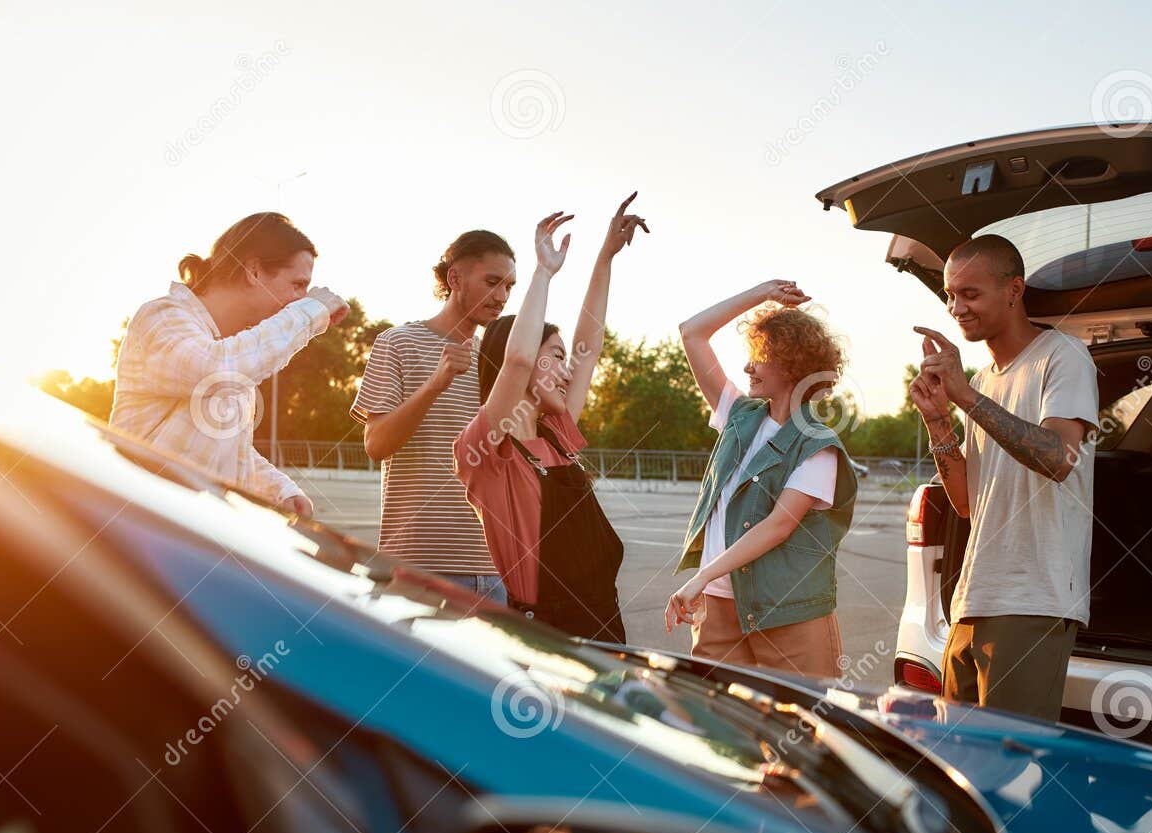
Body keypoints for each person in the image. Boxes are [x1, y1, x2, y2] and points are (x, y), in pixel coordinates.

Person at [909, 233, 1099, 720]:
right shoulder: (981, 382)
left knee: (1011, 771)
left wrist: (967, 399)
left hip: (1032, 600)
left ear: (1014, 291)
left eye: (970, 294)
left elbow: (1059, 457)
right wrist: (938, 420)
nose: (956, 308)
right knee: (961, 767)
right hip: (974, 598)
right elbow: (967, 502)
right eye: (951, 295)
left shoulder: (1063, 356)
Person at [454, 196, 648, 641]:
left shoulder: (557, 436)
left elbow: (590, 344)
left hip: (604, 629)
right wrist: (543, 272)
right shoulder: (486, 449)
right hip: (546, 638)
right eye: (555, 357)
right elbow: (519, 359)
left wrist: (605, 256)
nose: (566, 371)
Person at [665, 281, 857, 679]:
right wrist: (763, 294)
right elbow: (692, 332)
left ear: (791, 365)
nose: (748, 367)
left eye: (759, 357)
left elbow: (777, 526)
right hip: (718, 606)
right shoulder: (739, 413)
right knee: (717, 730)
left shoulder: (818, 444)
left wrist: (702, 575)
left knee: (803, 729)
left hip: (787, 613)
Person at [110, 212, 346, 517]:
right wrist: (310, 312)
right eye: (298, 285)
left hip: (191, 527)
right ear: (254, 272)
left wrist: (280, 490)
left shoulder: (229, 348)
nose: (301, 298)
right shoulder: (162, 317)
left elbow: (226, 452)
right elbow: (212, 372)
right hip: (139, 526)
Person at [352, 229, 518, 597]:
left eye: (510, 287)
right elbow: (376, 444)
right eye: (493, 282)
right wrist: (434, 384)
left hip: (493, 573)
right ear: (454, 278)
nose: (502, 297)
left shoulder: (498, 362)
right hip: (416, 568)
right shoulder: (397, 343)